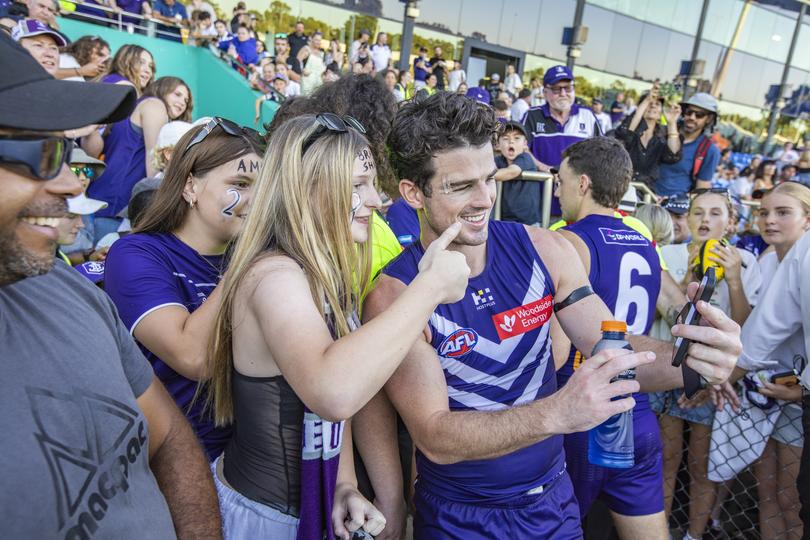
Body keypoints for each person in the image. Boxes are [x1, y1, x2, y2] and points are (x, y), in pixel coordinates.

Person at [355, 92, 742, 539]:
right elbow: (436, 437)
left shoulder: (546, 249)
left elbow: (611, 346)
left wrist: (690, 361)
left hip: (553, 502)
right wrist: (557, 413)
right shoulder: (394, 293)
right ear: (412, 193)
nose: (483, 199)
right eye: (460, 186)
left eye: (489, 178)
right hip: (461, 516)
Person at [203, 113, 469, 539]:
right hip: (266, 519)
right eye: (357, 185)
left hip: (307, 506)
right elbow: (332, 392)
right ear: (308, 189)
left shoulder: (319, 269)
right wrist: (429, 287)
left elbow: (324, 403)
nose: (375, 200)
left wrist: (344, 483)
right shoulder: (274, 276)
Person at [0, 30, 220, 539]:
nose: (72, 183)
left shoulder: (61, 284)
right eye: (35, 154)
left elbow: (167, 441)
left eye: (61, 150)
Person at [105, 118, 264, 461]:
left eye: (264, 188)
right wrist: (251, 257)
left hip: (251, 468)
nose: (256, 201)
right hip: (181, 464)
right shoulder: (136, 253)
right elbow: (194, 357)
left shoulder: (254, 257)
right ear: (190, 186)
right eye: (241, 182)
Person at [553, 137, 666, 539]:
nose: (557, 189)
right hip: (637, 411)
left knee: (563, 529)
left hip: (586, 413)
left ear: (582, 184)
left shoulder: (569, 242)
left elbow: (556, 352)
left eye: (561, 180)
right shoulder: (645, 243)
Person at [653, 189, 761, 540]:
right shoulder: (668, 253)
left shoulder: (745, 260)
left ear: (731, 222)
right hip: (668, 371)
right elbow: (664, 312)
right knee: (666, 459)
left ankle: (694, 534)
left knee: (702, 465)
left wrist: (732, 278)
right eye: (698, 212)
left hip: (713, 378)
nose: (704, 220)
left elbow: (746, 325)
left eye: (716, 214)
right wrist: (688, 279)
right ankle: (659, 530)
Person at [711, 182, 809, 540]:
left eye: (783, 213)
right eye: (764, 211)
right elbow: (753, 329)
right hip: (762, 391)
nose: (770, 220)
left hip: (798, 400)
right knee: (767, 493)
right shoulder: (768, 260)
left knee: (791, 497)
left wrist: (802, 392)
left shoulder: (806, 256)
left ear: (807, 219)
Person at [88, 76, 192, 242]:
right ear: (162, 89)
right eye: (177, 94)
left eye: (186, 100)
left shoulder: (136, 106)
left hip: (101, 198)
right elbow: (154, 161)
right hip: (118, 207)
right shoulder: (154, 105)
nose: (182, 102)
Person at [521, 64, 602, 215]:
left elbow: (601, 154)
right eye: (557, 89)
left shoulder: (587, 116)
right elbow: (521, 149)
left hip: (577, 206)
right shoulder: (532, 116)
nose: (563, 93)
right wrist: (545, 169)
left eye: (568, 88)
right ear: (545, 92)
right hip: (539, 202)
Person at [614, 85, 682, 190]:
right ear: (641, 107)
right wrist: (645, 101)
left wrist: (672, 123)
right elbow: (625, 134)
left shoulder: (662, 136)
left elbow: (673, 155)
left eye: (657, 104)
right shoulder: (631, 127)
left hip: (646, 193)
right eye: (649, 103)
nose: (653, 106)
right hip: (620, 187)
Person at [655, 93, 721, 196]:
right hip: (645, 194)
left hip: (674, 207)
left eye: (699, 115)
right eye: (689, 112)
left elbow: (702, 188)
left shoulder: (709, 150)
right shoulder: (663, 131)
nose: (692, 117)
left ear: (709, 119)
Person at [494, 121, 539, 225]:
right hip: (505, 219)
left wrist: (484, 176)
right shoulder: (499, 160)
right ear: (497, 145)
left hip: (528, 222)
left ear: (525, 144)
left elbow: (512, 172)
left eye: (517, 138)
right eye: (505, 138)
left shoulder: (525, 158)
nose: (511, 142)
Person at [298, 31, 325, 96]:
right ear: (311, 39)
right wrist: (302, 70)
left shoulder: (322, 53)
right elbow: (297, 62)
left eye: (319, 40)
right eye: (316, 40)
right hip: (307, 82)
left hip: (318, 83)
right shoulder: (306, 49)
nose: (318, 42)